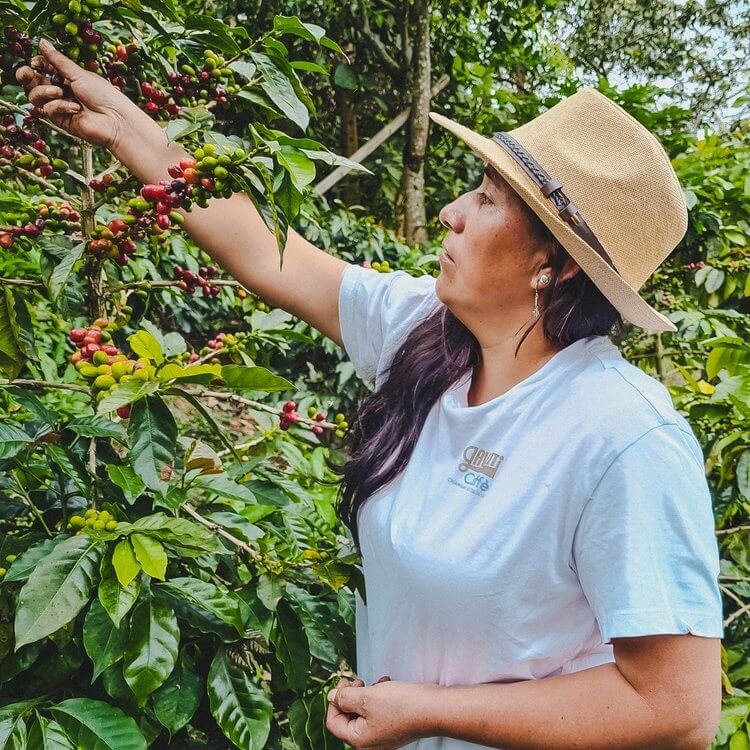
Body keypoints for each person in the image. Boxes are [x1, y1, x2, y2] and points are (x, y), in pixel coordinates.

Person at [17, 41, 724, 750]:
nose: (452, 211)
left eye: (485, 199)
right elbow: (268, 252)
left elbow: (678, 710)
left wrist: (433, 710)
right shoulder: (431, 334)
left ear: (556, 264)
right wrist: (125, 128)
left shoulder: (622, 436)